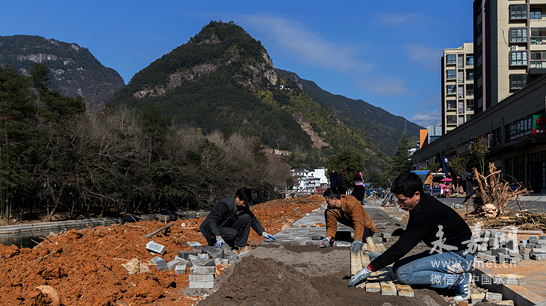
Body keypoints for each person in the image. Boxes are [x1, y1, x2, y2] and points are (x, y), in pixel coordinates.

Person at [349, 171, 474, 302]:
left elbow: (403, 247)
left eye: (402, 200)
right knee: (397, 267)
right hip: (447, 251)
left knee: (404, 273)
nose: (399, 203)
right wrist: (382, 259)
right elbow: (408, 235)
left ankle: (458, 280)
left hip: (460, 256)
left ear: (416, 195)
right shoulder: (420, 204)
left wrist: (369, 268)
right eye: (397, 199)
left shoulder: (425, 213)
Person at [199, 187, 275, 249]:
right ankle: (216, 243)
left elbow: (252, 218)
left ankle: (240, 245)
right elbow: (212, 220)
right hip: (212, 230)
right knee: (232, 233)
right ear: (237, 197)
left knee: (246, 217)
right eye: (244, 203)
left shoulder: (242, 205)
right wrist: (217, 235)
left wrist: (262, 232)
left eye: (246, 203)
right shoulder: (224, 204)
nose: (245, 205)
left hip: (225, 226)